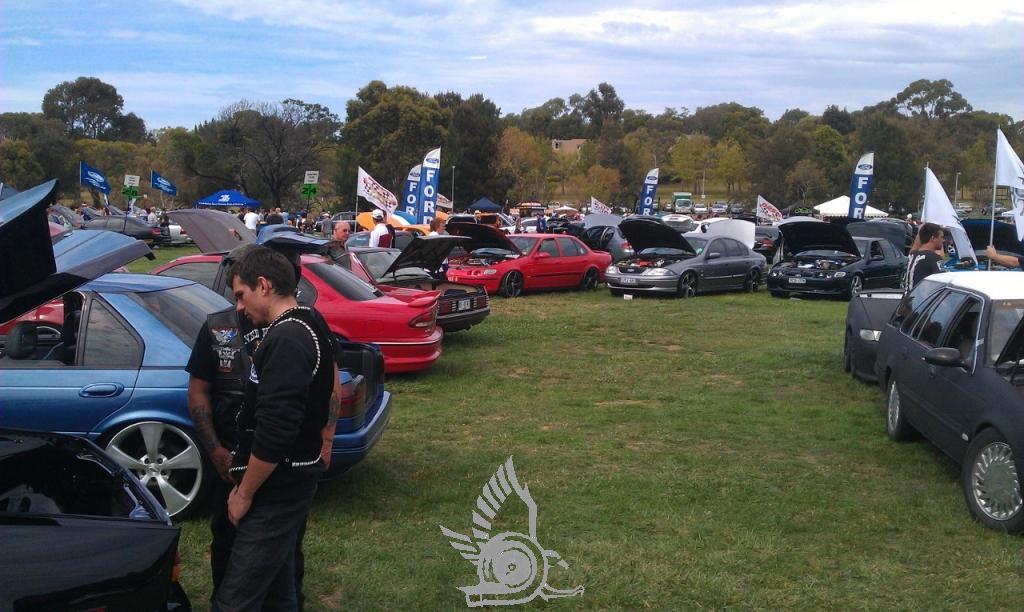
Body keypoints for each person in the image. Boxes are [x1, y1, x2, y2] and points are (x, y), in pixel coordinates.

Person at [213, 246, 338, 611]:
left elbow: (276, 430)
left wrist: (245, 493)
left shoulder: (287, 338)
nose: (238, 306)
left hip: (276, 487)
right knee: (279, 592)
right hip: (287, 480)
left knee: (236, 598)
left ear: (264, 285)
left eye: (241, 295)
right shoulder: (307, 321)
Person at [904, 223, 946, 290]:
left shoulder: (912, 254)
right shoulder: (934, 258)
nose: (943, 240)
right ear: (933, 238)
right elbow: (943, 281)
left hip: (908, 298)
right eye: (941, 237)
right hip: (922, 298)